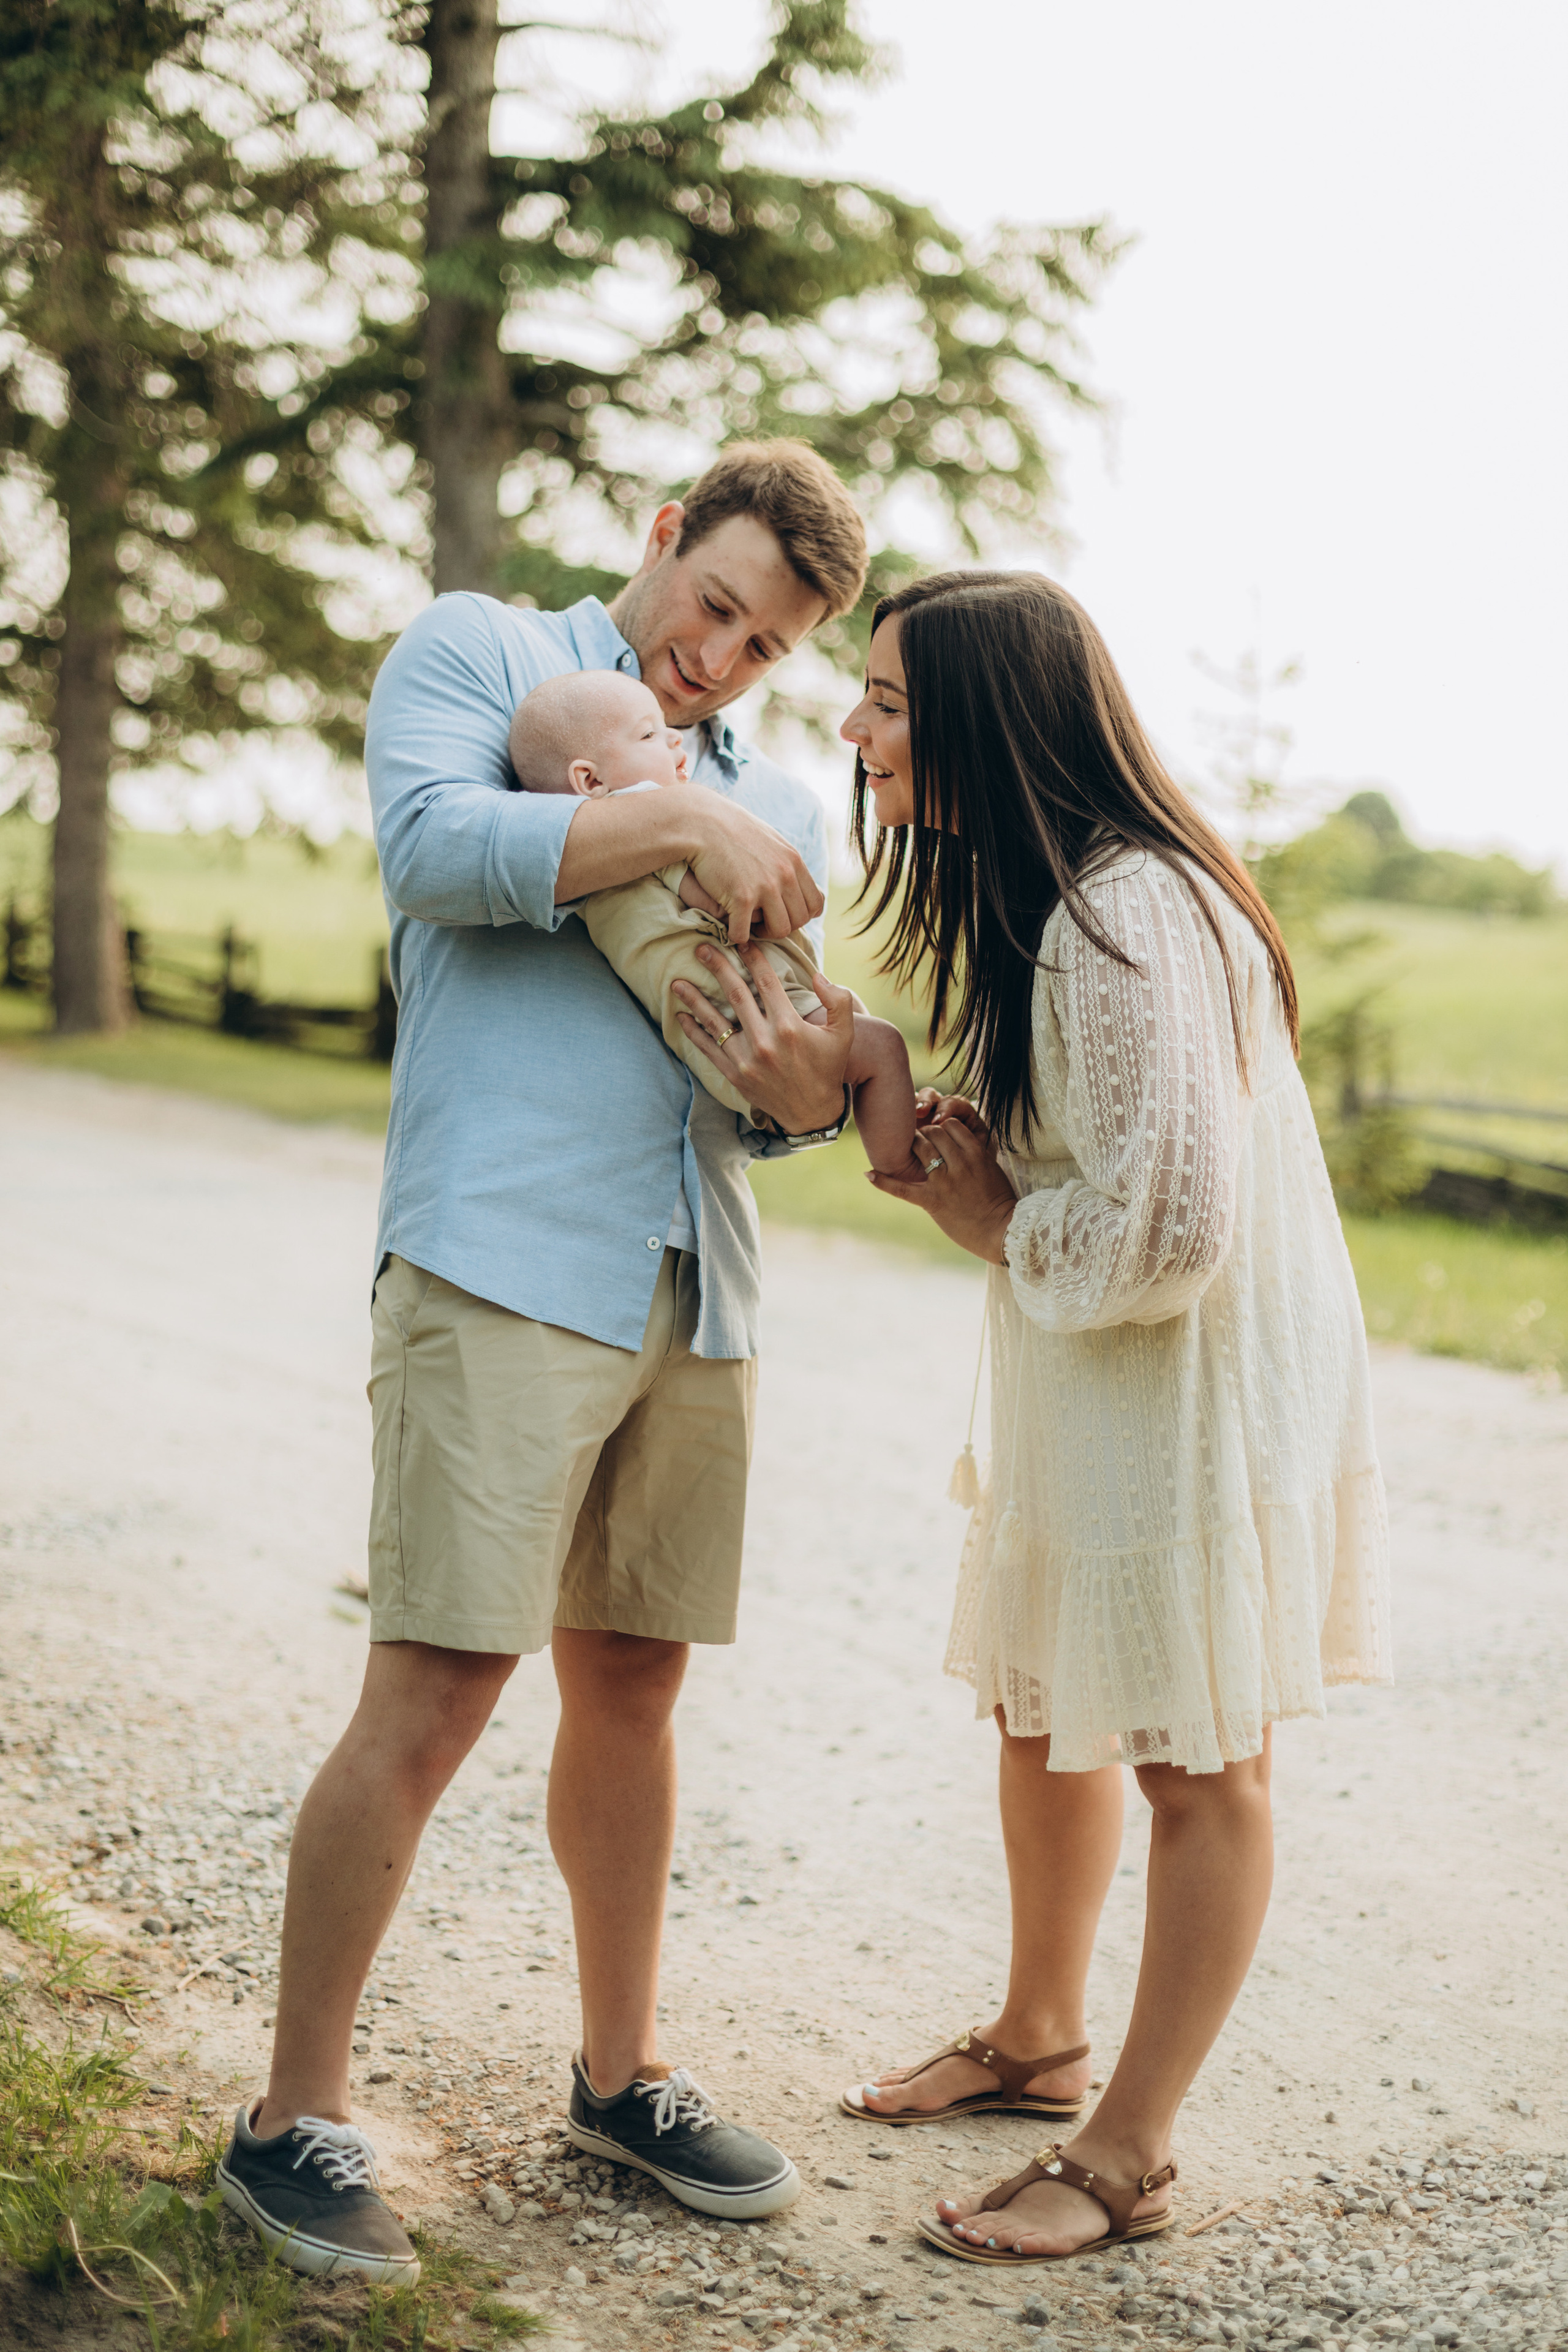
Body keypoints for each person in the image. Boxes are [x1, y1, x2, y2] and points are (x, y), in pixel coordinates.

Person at [217, 440, 865, 2282]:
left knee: (637, 1687)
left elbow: (778, 1092)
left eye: (762, 648)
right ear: (661, 536)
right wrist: (674, 821)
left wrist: (812, 1093)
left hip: (696, 1280)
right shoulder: (485, 654)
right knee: (430, 1683)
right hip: (502, 1255)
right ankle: (288, 2114)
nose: (718, 662)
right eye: (713, 605)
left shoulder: (782, 798)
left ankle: (619, 2070)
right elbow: (430, 851)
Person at [714, 568, 1390, 2266]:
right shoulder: (1053, 898)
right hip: (1100, 1367)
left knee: (1196, 1760)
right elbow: (1099, 1159)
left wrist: (998, 1222)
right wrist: (934, 1129)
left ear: (982, 721)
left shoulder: (1125, 913)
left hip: (1187, 1379)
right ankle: (1040, 2037)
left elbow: (1173, 1227)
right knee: (1045, 1704)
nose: (857, 730)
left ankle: (1132, 2152)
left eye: (885, 701)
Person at [507, 667, 921, 1177]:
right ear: (590, 781)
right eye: (649, 734)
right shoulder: (651, 822)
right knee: (884, 1045)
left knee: (859, 1029)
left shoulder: (591, 871)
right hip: (753, 1022)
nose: (673, 736)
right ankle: (906, 1166)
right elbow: (737, 908)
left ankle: (906, 1130)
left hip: (728, 1039)